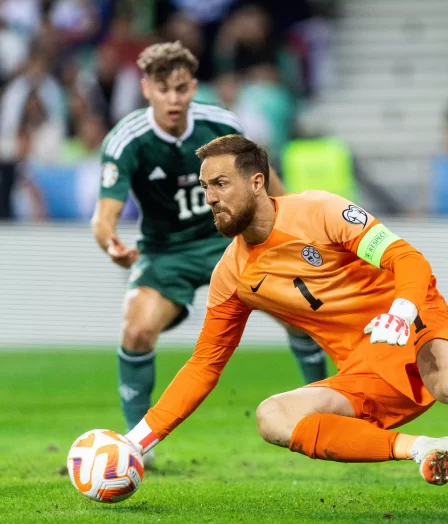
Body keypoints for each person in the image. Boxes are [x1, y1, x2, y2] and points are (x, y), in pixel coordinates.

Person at [125, 135, 448, 518]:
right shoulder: (233, 276)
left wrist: (402, 310)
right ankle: (422, 447)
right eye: (205, 187)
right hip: (366, 368)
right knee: (273, 416)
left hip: (413, 319)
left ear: (256, 182)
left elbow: (406, 258)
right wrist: (137, 441)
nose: (210, 197)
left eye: (220, 184)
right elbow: (203, 366)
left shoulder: (320, 212)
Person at [90, 42, 327, 462]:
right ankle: (135, 448)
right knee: (137, 330)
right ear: (147, 89)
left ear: (193, 86)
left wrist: (296, 231)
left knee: (301, 316)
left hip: (230, 243)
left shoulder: (219, 123)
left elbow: (267, 182)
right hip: (165, 253)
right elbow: (104, 214)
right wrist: (111, 243)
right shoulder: (128, 139)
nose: (174, 99)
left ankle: (325, 409)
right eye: (164, 89)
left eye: (181, 89)